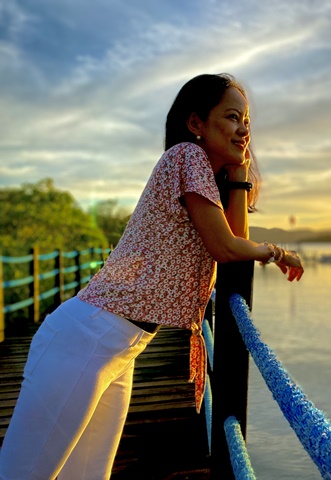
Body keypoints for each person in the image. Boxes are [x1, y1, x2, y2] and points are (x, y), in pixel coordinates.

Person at [0, 73, 303, 480]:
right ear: (196, 123)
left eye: (247, 121)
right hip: (84, 341)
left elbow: (232, 241)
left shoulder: (204, 179)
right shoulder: (186, 158)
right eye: (233, 117)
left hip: (121, 349)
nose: (244, 129)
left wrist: (240, 173)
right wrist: (280, 252)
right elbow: (228, 248)